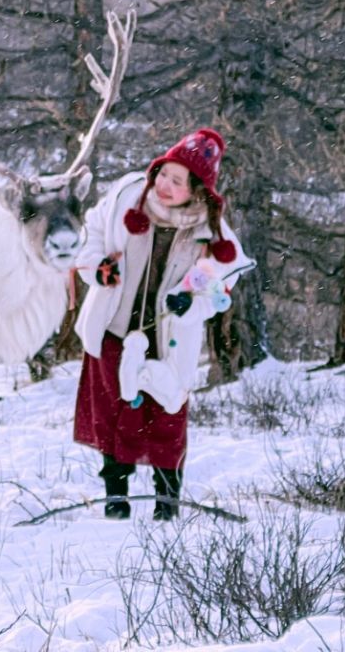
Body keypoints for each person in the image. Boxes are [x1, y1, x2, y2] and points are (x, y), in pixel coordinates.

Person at [71, 127, 253, 519]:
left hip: (168, 341)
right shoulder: (126, 197)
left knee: (167, 420)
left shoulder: (211, 230)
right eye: (163, 175)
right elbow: (92, 232)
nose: (165, 186)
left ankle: (166, 505)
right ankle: (115, 500)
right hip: (114, 330)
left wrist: (191, 302)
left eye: (177, 181)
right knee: (114, 415)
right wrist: (97, 268)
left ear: (197, 190)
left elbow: (221, 283)